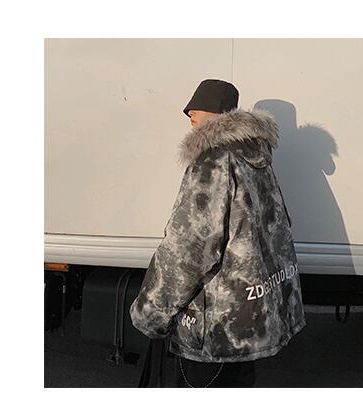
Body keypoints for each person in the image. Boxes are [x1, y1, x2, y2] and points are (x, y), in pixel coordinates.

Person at [129, 79, 305, 388]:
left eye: (196, 108)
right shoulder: (256, 159)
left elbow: (190, 248)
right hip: (247, 321)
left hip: (215, 327)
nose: (189, 115)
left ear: (220, 114)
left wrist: (152, 312)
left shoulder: (214, 160)